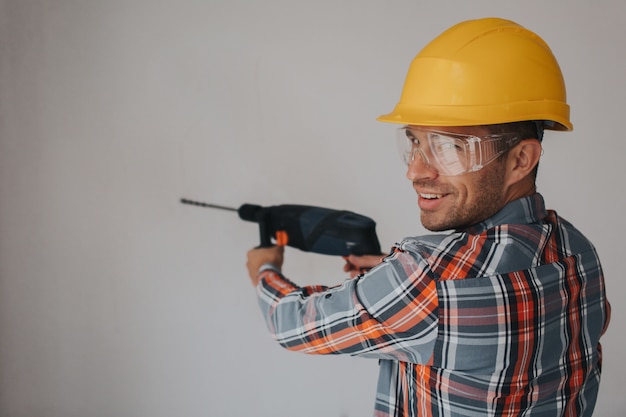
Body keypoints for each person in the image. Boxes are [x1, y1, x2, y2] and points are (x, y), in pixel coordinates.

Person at [246, 17, 611, 417]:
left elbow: (294, 325)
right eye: (415, 142)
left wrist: (265, 271)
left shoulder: (428, 281)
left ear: (521, 160)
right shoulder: (578, 252)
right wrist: (394, 277)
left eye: (449, 147)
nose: (416, 171)